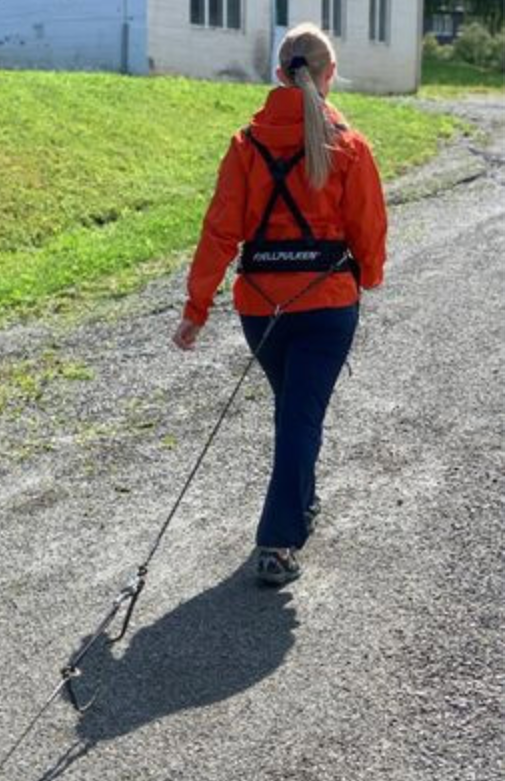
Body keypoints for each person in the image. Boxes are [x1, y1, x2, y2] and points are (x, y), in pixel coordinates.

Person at [173, 23, 387, 585]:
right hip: (327, 305)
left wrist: (196, 310)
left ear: (279, 74)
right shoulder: (351, 145)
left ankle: (302, 503)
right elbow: (369, 228)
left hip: (260, 307)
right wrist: (370, 276)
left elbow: (219, 232)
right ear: (329, 75)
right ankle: (278, 542)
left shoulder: (246, 145)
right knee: (300, 414)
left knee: (295, 409)